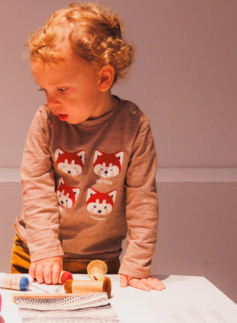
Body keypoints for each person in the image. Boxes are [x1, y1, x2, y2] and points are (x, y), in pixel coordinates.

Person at [13, 3, 164, 291]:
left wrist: (137, 263)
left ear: (103, 78)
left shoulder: (134, 125)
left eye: (62, 89)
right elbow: (36, 186)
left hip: (101, 260)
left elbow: (142, 198)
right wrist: (45, 249)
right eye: (43, 89)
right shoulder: (46, 120)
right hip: (37, 253)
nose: (51, 101)